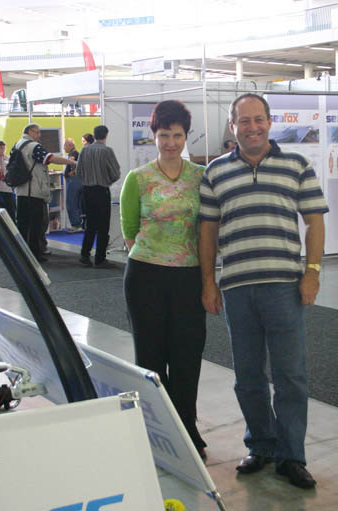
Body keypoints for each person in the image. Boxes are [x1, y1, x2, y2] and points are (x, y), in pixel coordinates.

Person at [199, 93, 328, 490]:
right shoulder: (215, 172)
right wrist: (208, 282)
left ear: (270, 122)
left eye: (258, 119)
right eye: (244, 121)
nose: (252, 127)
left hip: (284, 287)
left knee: (291, 376)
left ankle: (291, 456)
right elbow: (207, 230)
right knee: (248, 375)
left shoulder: (297, 165)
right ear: (232, 127)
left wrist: (312, 272)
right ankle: (261, 445)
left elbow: (314, 222)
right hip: (237, 288)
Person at [120, 100, 207, 458]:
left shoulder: (200, 177)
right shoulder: (138, 179)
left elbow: (207, 228)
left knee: (187, 355)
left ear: (186, 136)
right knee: (151, 357)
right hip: (146, 277)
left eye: (178, 135)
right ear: (153, 136)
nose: (171, 143)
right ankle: (158, 430)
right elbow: (129, 230)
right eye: (164, 135)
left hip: (189, 278)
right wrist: (156, 256)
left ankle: (186, 427)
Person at [12, 124, 76, 262]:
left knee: (23, 223)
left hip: (21, 190)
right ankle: (35, 254)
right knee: (36, 224)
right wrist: (70, 162)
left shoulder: (17, 144)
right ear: (30, 132)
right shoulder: (33, 146)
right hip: (34, 190)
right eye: (37, 132)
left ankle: (22, 253)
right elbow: (50, 158)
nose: (39, 135)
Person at [76, 125, 120, 267]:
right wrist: (107, 181)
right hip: (102, 191)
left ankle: (84, 255)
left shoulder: (84, 150)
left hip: (87, 191)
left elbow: (78, 171)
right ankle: (100, 259)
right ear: (106, 135)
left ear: (94, 136)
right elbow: (116, 173)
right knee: (103, 226)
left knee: (90, 224)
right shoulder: (107, 151)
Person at [63, 138, 83, 232]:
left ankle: (76, 225)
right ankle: (79, 224)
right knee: (77, 203)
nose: (64, 147)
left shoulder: (73, 153)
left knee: (71, 203)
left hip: (73, 181)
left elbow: (72, 161)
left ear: (70, 145)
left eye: (65, 145)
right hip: (77, 180)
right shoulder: (75, 153)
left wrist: (73, 171)